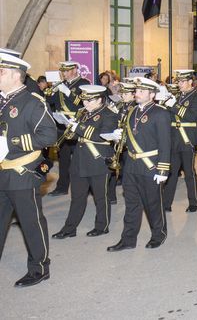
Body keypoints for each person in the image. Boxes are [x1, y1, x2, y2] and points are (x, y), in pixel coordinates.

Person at [0, 54, 57, 287]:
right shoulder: (2, 101)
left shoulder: (33, 101)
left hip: (22, 171)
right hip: (2, 170)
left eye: (1, 71)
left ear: (15, 75)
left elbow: (49, 135)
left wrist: (11, 143)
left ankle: (39, 268)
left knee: (31, 222)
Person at [107, 77, 171, 251]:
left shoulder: (161, 113)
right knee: (132, 204)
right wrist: (120, 137)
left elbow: (165, 143)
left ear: (152, 94)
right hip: (132, 165)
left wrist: (163, 170)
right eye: (136, 91)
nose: (137, 94)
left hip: (151, 165)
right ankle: (128, 239)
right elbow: (132, 136)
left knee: (153, 204)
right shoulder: (132, 111)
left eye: (141, 91)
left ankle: (158, 234)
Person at [52, 85, 118, 240]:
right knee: (77, 197)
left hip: (98, 160)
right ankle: (69, 228)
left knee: (101, 197)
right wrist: (68, 130)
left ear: (100, 100)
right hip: (79, 160)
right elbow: (77, 136)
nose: (86, 104)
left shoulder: (109, 114)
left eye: (90, 100)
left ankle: (102, 226)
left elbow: (102, 135)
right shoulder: (82, 113)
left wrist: (79, 127)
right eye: (85, 100)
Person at [163, 70, 197, 213]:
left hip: (187, 138)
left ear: (190, 82)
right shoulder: (178, 96)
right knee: (172, 172)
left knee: (189, 172)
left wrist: (173, 106)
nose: (179, 84)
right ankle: (166, 203)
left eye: (181, 82)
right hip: (174, 138)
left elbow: (191, 117)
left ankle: (194, 202)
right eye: (178, 81)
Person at [48, 61, 91, 196]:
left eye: (67, 71)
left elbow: (81, 102)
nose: (64, 73)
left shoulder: (83, 83)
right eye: (63, 71)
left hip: (76, 123)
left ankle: (87, 186)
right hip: (62, 123)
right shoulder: (61, 84)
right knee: (63, 158)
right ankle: (62, 187)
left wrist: (67, 92)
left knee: (81, 157)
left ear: (74, 70)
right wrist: (52, 92)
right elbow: (51, 102)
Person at [108, 79, 137, 204]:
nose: (122, 96)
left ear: (133, 94)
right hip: (117, 141)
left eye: (125, 94)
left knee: (128, 171)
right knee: (113, 169)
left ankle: (130, 193)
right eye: (122, 93)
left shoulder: (135, 107)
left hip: (129, 143)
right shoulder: (120, 104)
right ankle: (111, 195)